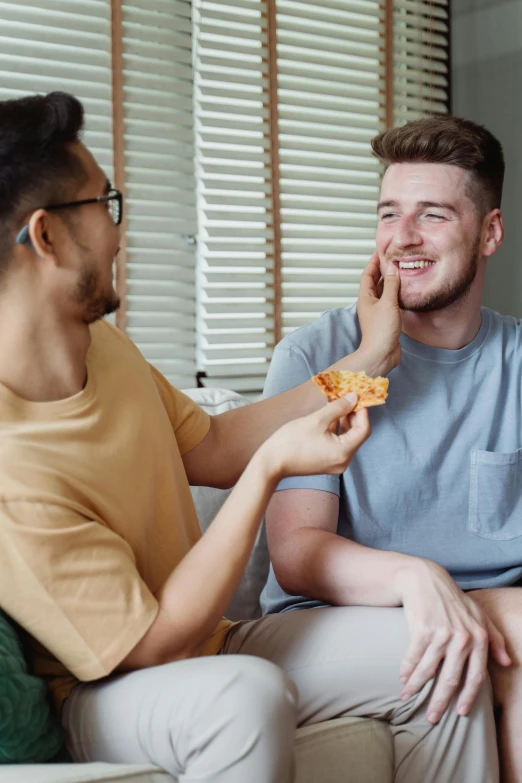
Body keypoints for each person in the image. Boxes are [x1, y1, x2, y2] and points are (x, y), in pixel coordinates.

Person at [0, 92, 498, 783]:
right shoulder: (8, 463)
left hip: (216, 641)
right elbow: (154, 642)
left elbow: (213, 446)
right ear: (46, 236)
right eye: (104, 204)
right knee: (245, 694)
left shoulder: (104, 349)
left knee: (441, 645)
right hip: (104, 694)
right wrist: (271, 468)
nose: (120, 231)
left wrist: (366, 361)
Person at [261, 115, 522, 781]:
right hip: (333, 622)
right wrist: (418, 579)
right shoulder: (319, 357)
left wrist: (481, 605)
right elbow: (296, 555)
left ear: (489, 232)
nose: (401, 237)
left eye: (431, 215)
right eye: (389, 214)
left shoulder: (516, 361)